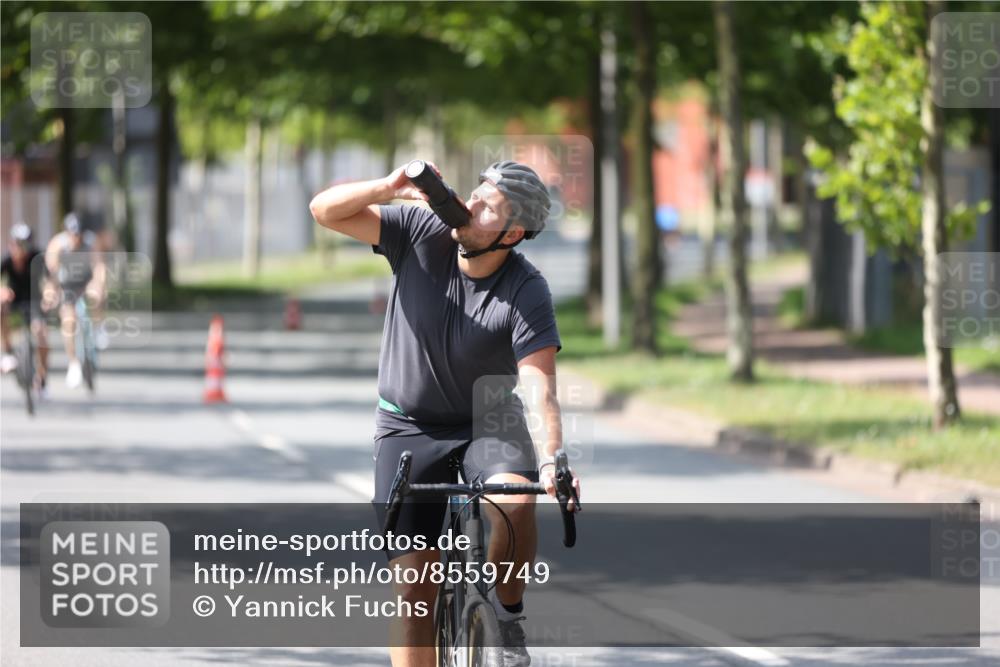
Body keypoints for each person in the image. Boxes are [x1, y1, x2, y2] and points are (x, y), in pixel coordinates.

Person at [310, 160, 582, 667]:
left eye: (488, 206)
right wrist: (388, 188)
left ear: (512, 232)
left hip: (487, 419)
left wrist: (551, 460)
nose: (471, 204)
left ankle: (507, 612)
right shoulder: (420, 230)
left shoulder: (527, 290)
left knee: (516, 501)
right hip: (407, 423)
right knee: (415, 591)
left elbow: (538, 384)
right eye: (475, 193)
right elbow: (323, 211)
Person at [44, 213, 106, 388]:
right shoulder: (58, 244)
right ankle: (73, 363)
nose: (76, 238)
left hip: (86, 281)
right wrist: (51, 292)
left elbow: (99, 266)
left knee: (95, 295)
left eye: (78, 234)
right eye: (72, 234)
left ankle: (99, 326)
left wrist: (99, 284)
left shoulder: (91, 242)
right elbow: (51, 272)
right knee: (68, 322)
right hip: (67, 285)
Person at [1, 223, 49, 391]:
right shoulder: (6, 261)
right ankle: (7, 352)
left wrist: (49, 294)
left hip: (34, 301)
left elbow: (50, 280)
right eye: (18, 244)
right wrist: (3, 291)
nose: (21, 249)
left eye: (25, 244)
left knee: (41, 332)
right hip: (14, 301)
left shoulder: (37, 258)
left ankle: (42, 377)